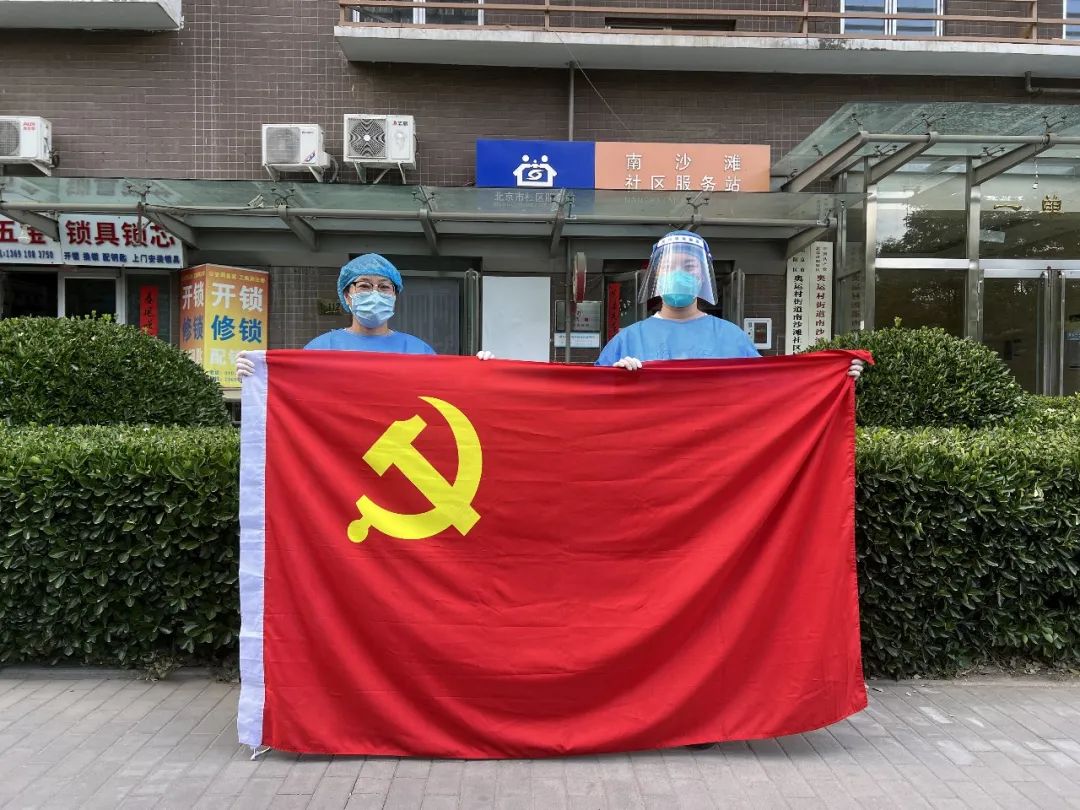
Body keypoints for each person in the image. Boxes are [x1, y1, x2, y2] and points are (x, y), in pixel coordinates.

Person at [596, 230, 863, 380]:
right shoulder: (627, 340)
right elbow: (593, 398)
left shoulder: (731, 337)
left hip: (716, 455)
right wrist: (616, 379)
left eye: (689, 266)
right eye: (669, 267)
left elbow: (772, 386)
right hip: (652, 453)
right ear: (656, 276)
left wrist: (833, 375)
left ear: (702, 276)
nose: (678, 273)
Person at [237, 254, 493, 378]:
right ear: (347, 295)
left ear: (395, 295)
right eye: (364, 286)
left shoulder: (417, 350)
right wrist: (259, 376)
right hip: (337, 457)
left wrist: (482, 371)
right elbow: (292, 395)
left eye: (384, 287)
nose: (375, 293)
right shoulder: (321, 348)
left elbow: (448, 391)